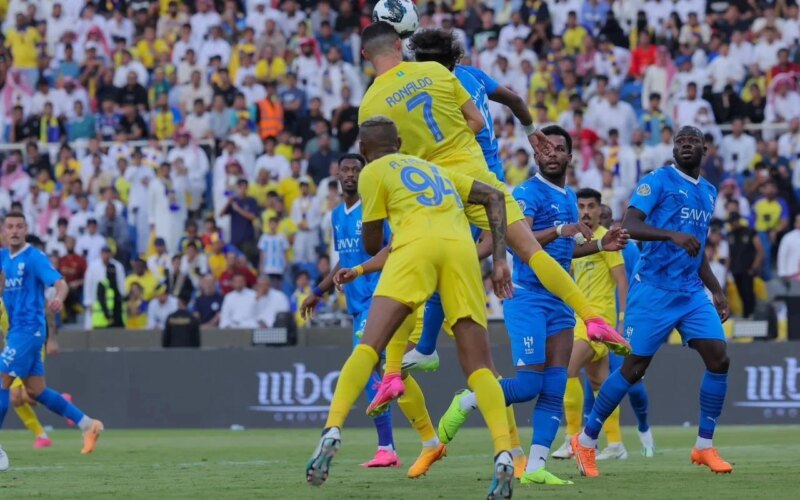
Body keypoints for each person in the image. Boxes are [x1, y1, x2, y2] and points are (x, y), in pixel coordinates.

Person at [356, 25, 627, 393]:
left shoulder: (370, 104)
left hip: (429, 189)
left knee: (406, 265)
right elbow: (481, 120)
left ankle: (394, 371)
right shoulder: (445, 75)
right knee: (530, 249)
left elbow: (386, 156)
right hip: (479, 176)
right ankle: (592, 318)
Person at [306, 117, 516, 498]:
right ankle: (503, 452)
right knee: (481, 368)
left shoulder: (373, 173)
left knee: (369, 347)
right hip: (460, 253)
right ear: (399, 142)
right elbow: (495, 197)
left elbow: (372, 243)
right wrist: (500, 258)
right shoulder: (436, 170)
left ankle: (333, 429)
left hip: (413, 249)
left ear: (365, 151)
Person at [437, 127, 628, 486]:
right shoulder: (526, 193)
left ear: (570, 157)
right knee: (527, 386)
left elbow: (565, 250)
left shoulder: (570, 197)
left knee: (555, 384)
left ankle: (537, 465)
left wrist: (603, 247)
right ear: (537, 156)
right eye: (547, 148)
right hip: (527, 298)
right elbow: (518, 239)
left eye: (560, 148)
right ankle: (467, 400)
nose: (553, 153)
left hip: (559, 301)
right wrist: (561, 229)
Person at [571, 126, 733, 477]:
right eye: (680, 141)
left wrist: (716, 290)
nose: (686, 145)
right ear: (674, 149)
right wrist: (671, 235)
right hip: (653, 289)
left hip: (690, 292)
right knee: (633, 369)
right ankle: (585, 441)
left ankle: (704, 446)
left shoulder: (707, 191)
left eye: (692, 142)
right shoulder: (657, 181)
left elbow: (697, 246)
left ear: (704, 149)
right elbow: (630, 224)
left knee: (719, 358)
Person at [300, 153, 403, 469]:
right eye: (344, 169)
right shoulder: (336, 216)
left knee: (373, 372)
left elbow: (394, 248)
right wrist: (318, 290)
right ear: (337, 175)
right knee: (386, 378)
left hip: (380, 298)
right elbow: (344, 259)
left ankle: (385, 446)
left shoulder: (374, 210)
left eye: (356, 170)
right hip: (356, 306)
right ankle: (402, 444)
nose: (349, 174)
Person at [554, 188, 653, 462]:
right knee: (598, 381)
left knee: (567, 370)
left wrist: (621, 322)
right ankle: (616, 444)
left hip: (598, 321)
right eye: (582, 206)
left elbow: (621, 281)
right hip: (579, 319)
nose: (586, 211)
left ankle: (572, 438)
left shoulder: (605, 239)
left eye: (591, 206)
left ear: (600, 210)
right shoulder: (576, 241)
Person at [0, 212, 104, 469]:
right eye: (10, 226)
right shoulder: (3, 257)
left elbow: (60, 283)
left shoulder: (34, 257)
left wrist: (58, 297)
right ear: (4, 230)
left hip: (29, 330)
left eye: (19, 226)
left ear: (26, 230)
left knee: (2, 380)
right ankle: (88, 424)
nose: (14, 231)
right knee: (36, 390)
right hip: (16, 331)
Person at [726, 210, 764, 318]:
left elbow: (760, 251)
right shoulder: (729, 235)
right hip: (735, 270)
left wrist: (754, 267)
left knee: (748, 294)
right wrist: (727, 270)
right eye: (730, 222)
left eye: (734, 221)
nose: (732, 224)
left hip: (747, 269)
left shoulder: (750, 232)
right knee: (741, 294)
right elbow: (729, 253)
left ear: (738, 220)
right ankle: (746, 315)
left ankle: (752, 315)